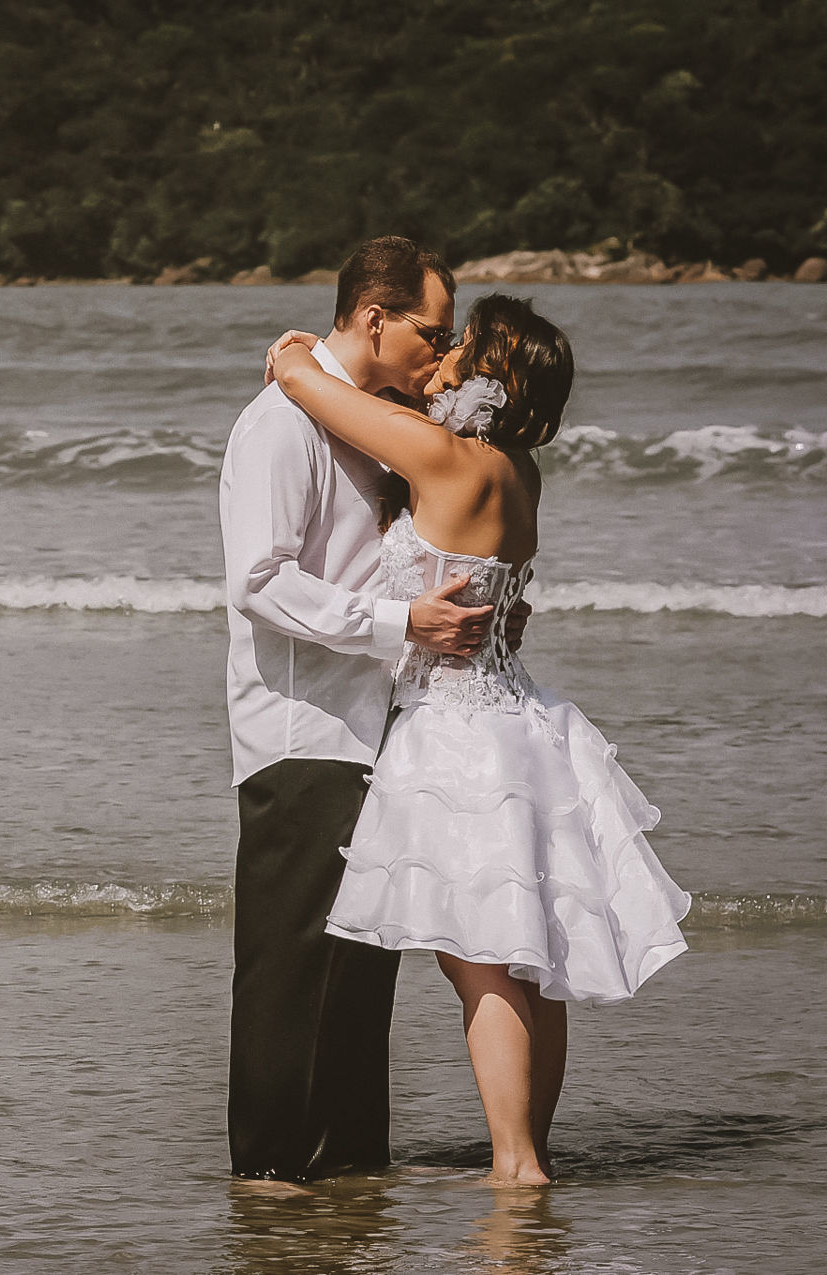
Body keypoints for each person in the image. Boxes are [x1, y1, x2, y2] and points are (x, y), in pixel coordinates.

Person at [263, 293, 691, 1186]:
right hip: (523, 720)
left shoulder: (444, 455)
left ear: (490, 372)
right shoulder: (519, 471)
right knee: (535, 960)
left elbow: (305, 383)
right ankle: (533, 1149)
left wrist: (299, 351)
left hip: (456, 731)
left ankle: (513, 1164)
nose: (445, 356)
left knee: (483, 967)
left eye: (461, 348)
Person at [218, 236, 518, 1182]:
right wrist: (404, 623)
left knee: (360, 974)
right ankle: (270, 1179)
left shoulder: (372, 417)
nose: (444, 351)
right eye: (432, 332)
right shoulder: (280, 424)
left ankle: (346, 1178)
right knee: (291, 970)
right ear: (374, 317)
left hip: (385, 729)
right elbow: (259, 581)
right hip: (303, 730)